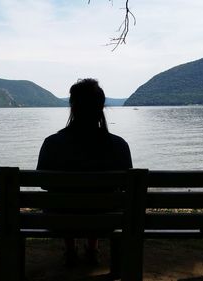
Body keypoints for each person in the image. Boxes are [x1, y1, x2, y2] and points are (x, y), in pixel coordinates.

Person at [36, 78, 132, 266]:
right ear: (101, 108)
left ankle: (71, 250)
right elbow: (125, 185)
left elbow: (43, 183)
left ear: (72, 107)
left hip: (60, 219)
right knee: (100, 201)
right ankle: (93, 249)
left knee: (64, 200)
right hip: (107, 220)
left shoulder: (52, 143)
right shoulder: (119, 145)